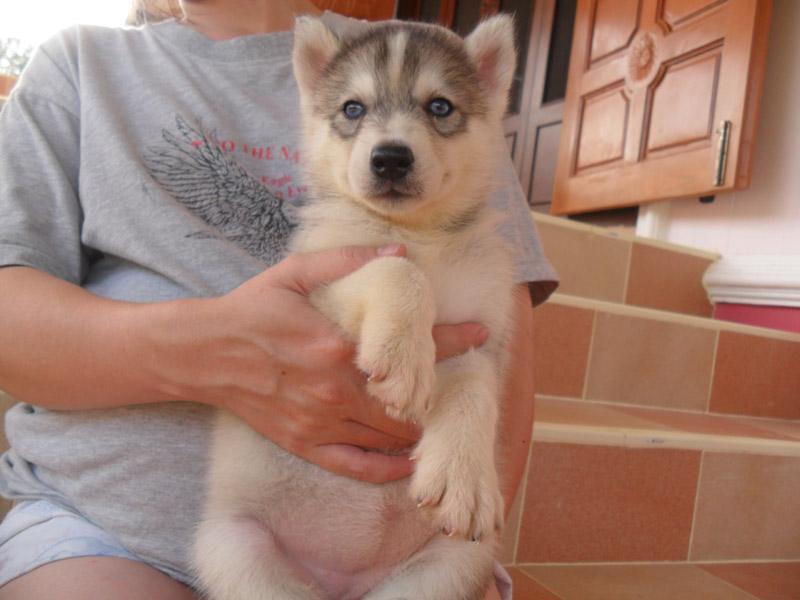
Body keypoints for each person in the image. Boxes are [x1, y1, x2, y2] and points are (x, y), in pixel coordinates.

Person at [0, 1, 558, 598]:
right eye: (354, 110)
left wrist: (461, 528)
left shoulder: (428, 48)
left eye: (437, 109)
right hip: (147, 539)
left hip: (413, 552)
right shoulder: (80, 63)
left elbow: (491, 359)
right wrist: (222, 353)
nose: (391, 142)